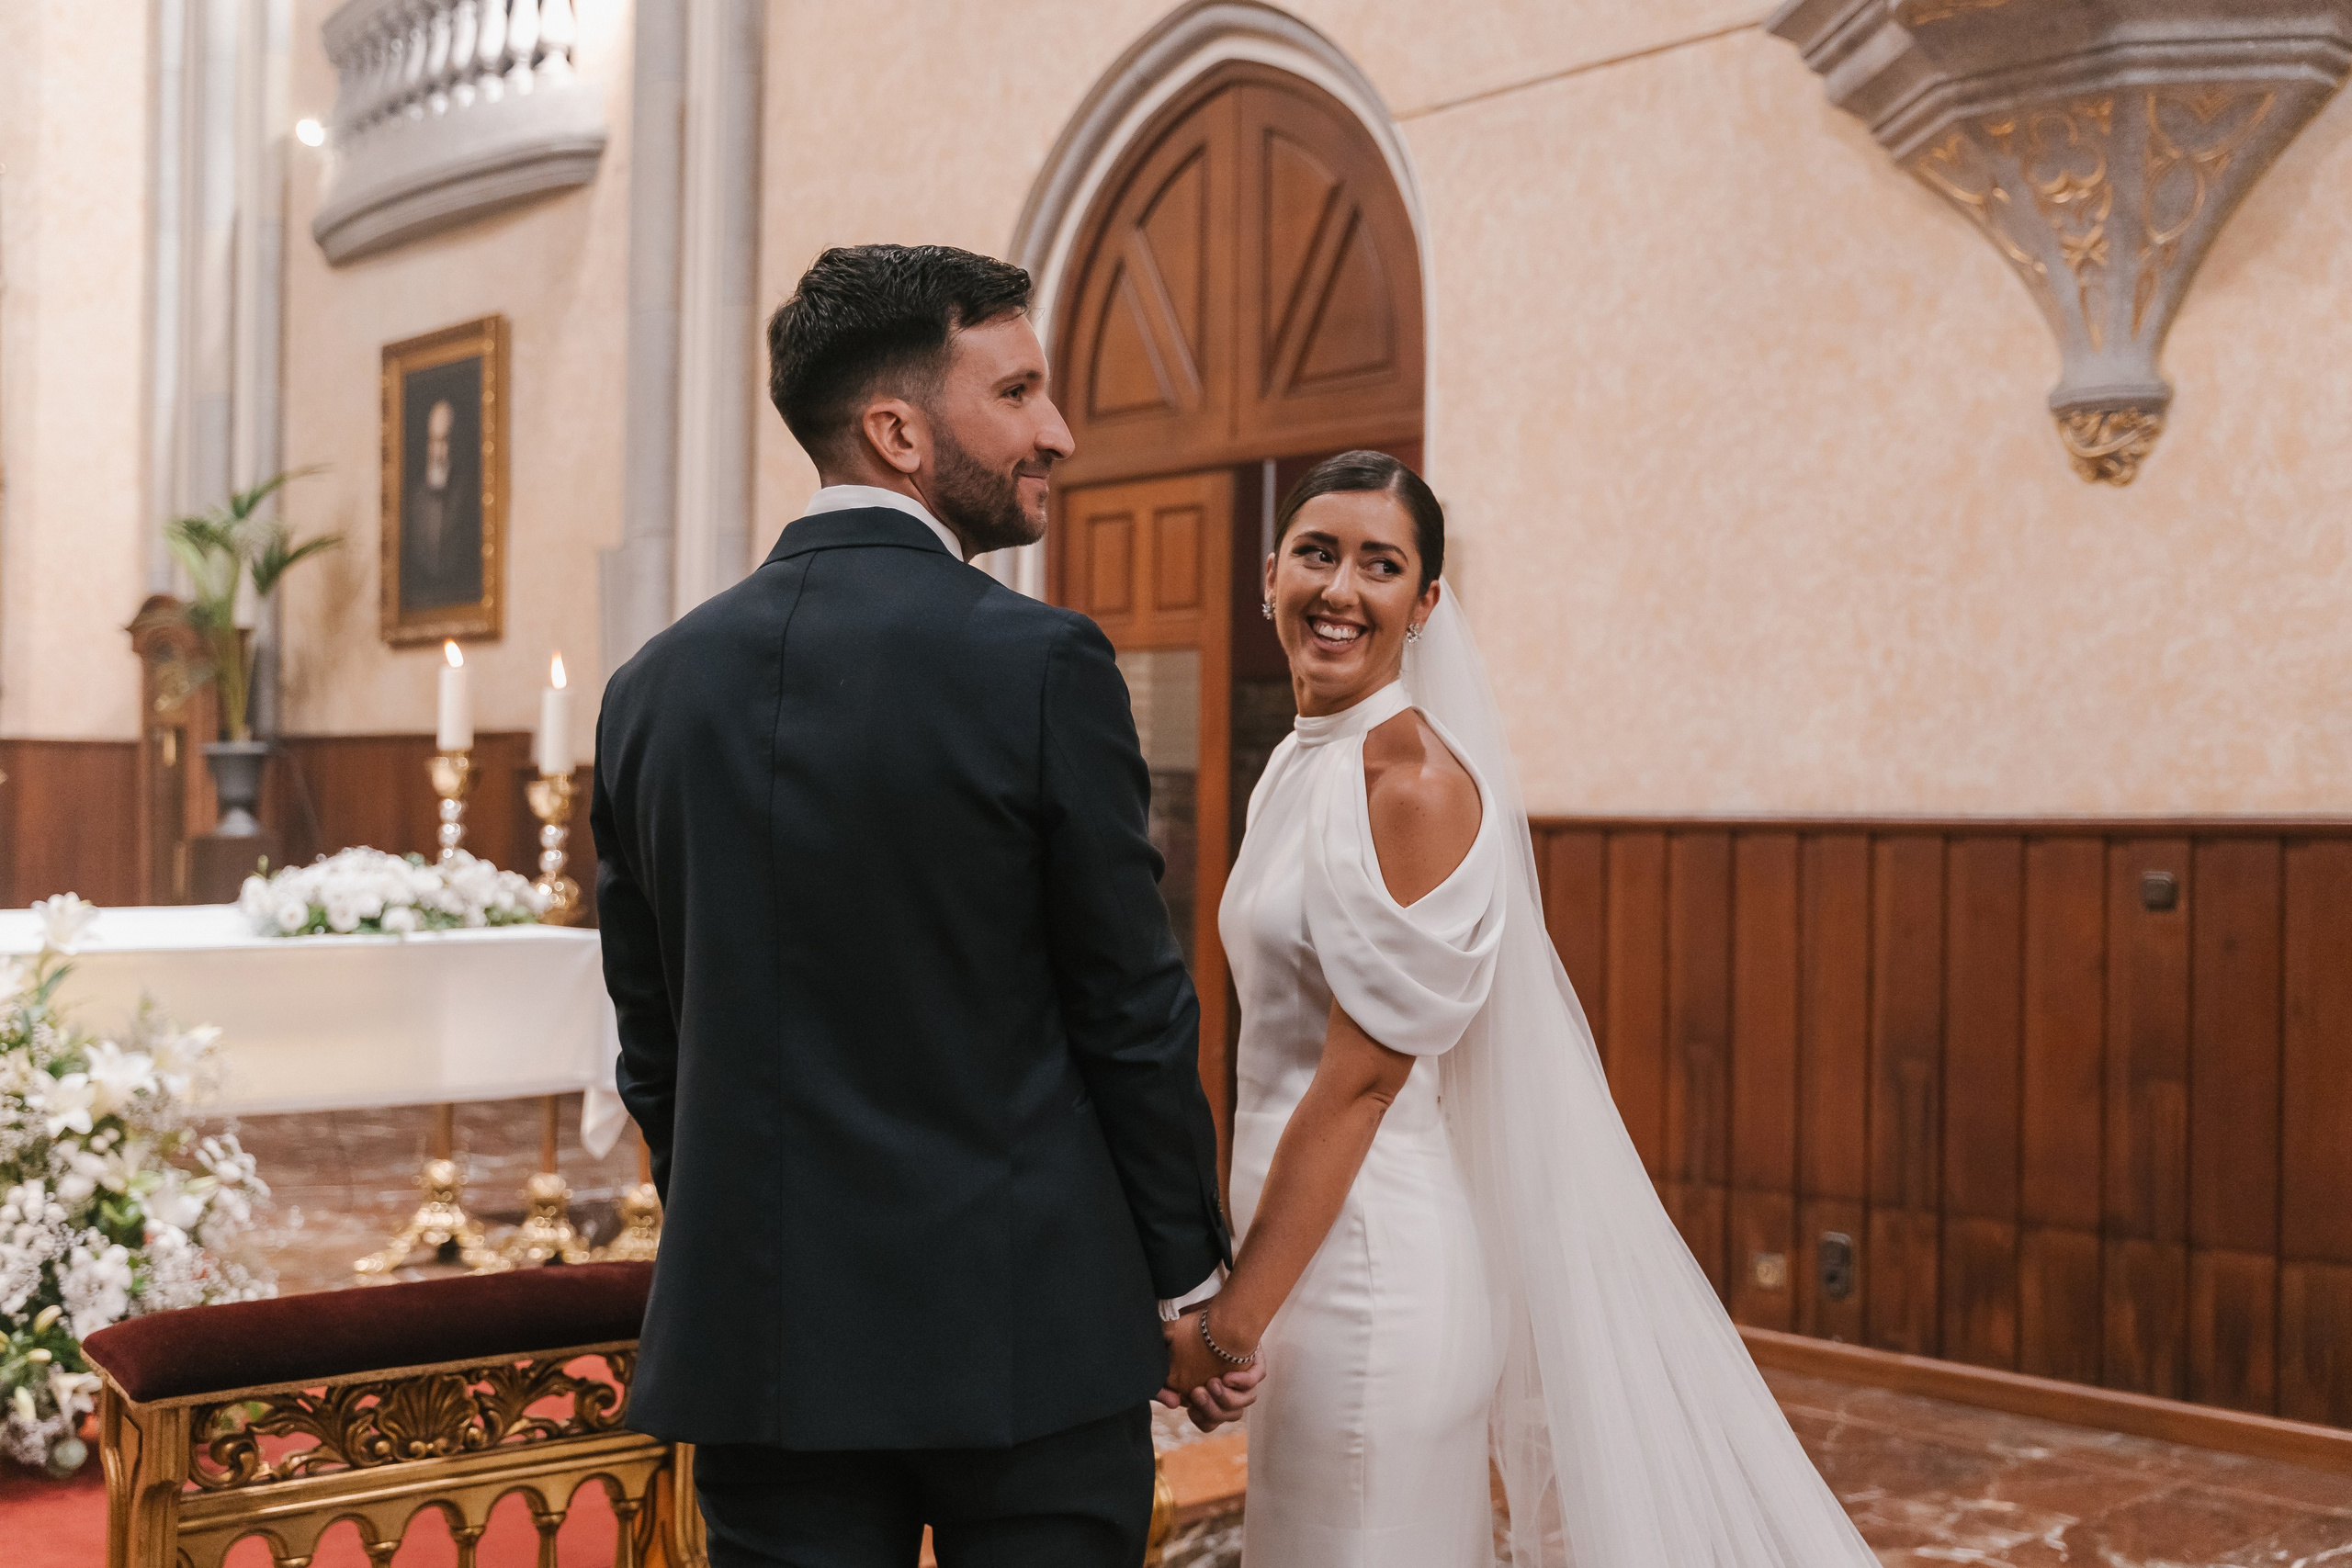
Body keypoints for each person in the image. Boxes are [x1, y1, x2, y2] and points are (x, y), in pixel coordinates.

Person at [592, 243, 1256, 1568]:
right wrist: (1190, 1280)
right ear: (897, 430)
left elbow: (655, 1039)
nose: (1055, 431)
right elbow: (1128, 1004)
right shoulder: (1039, 662)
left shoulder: (653, 686)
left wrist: (753, 1226)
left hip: (763, 1341)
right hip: (1022, 1329)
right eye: (1015, 392)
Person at [1176, 450, 1880, 1566]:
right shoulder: (1298, 763)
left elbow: (1361, 1084)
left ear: (1426, 603)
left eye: (1381, 564)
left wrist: (1227, 1324)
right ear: (1270, 573)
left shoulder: (1411, 784)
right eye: (1316, 553)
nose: (1340, 590)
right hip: (1299, 1252)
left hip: (1372, 1279)